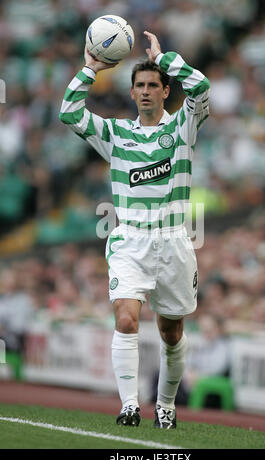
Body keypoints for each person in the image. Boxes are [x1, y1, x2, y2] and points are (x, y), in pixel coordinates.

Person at [59, 31, 210, 429]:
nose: (144, 91)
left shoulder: (183, 128)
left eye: (152, 85)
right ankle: (129, 405)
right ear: (131, 93)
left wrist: (164, 59)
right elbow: (69, 113)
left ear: (164, 91)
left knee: (171, 332)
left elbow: (201, 86)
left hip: (175, 240)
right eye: (139, 85)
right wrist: (90, 69)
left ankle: (165, 405)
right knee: (126, 319)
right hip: (130, 239)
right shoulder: (116, 134)